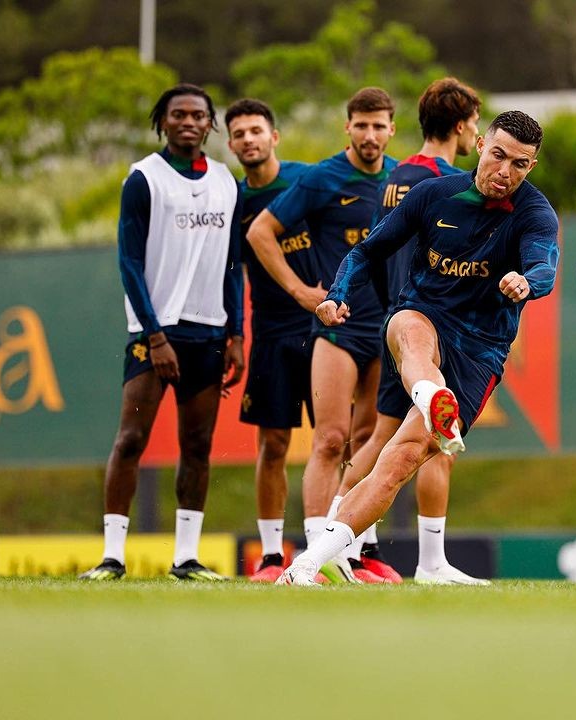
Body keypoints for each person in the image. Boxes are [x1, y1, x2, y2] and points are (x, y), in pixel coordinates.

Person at [276, 110, 558, 585]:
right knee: (412, 335)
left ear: (531, 167)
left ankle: (306, 563)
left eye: (520, 164)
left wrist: (526, 282)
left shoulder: (534, 213)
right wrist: (335, 295)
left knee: (399, 461)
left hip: (481, 352)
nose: (505, 172)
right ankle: (431, 398)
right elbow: (367, 251)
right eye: (498, 155)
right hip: (419, 318)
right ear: (482, 144)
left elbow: (545, 267)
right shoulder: (433, 194)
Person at [79, 84, 244, 581]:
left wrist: (235, 333)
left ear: (210, 124)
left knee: (197, 445)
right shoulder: (143, 179)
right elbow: (129, 261)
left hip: (209, 333)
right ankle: (111, 558)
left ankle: (186, 559)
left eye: (199, 114)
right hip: (153, 333)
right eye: (178, 114)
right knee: (131, 439)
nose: (189, 122)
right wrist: (153, 335)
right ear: (163, 122)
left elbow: (232, 263)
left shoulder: (225, 180)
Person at [329, 77, 488, 585]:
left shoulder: (395, 175)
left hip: (397, 321)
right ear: (461, 126)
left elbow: (375, 250)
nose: (477, 134)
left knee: (381, 437)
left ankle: (326, 539)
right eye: (476, 124)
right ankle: (431, 563)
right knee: (439, 437)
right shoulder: (449, 182)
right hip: (433, 327)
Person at [247, 88, 397, 584]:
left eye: (379, 126)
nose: (370, 135)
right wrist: (298, 291)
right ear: (347, 127)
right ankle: (314, 558)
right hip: (336, 325)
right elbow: (260, 232)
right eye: (361, 125)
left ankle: (351, 554)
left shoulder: (402, 179)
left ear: (391, 129)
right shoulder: (322, 177)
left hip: (387, 326)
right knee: (330, 439)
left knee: (371, 442)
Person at [225, 98, 316, 582]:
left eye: (256, 130)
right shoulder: (233, 201)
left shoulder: (309, 180)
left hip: (324, 328)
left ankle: (336, 550)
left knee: (336, 441)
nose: (249, 140)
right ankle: (271, 555)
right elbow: (230, 274)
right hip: (272, 333)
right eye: (239, 134)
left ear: (274, 136)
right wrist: (234, 336)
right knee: (274, 443)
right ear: (230, 144)